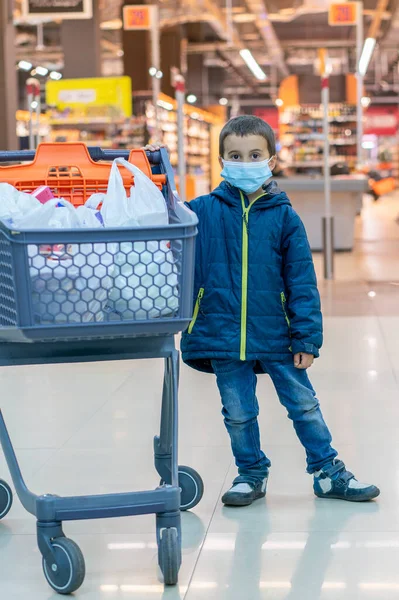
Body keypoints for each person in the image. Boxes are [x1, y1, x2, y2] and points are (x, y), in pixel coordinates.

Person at [145, 116, 380, 507]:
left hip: (279, 334)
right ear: (221, 159)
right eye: (235, 155)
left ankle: (328, 472)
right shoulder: (201, 211)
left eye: (254, 154)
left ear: (271, 159)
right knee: (238, 412)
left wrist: (306, 337)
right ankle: (251, 474)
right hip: (221, 332)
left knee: (304, 406)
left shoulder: (285, 218)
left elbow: (302, 282)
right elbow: (169, 236)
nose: (245, 161)